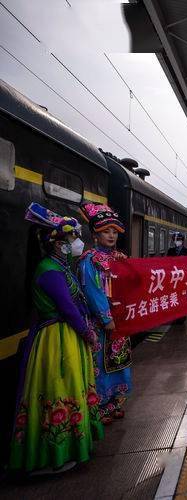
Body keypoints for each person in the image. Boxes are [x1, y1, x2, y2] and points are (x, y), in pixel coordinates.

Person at [9, 203, 104, 474]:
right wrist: (88, 333)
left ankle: (69, 446)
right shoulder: (50, 271)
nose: (77, 244)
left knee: (69, 387)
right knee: (58, 388)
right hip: (56, 340)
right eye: (73, 239)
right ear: (58, 244)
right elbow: (67, 307)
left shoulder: (58, 266)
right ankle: (54, 453)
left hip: (64, 338)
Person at [79, 203, 131, 425]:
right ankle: (101, 405)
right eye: (105, 231)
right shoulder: (89, 260)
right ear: (94, 234)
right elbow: (92, 290)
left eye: (114, 232)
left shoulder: (119, 258)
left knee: (119, 360)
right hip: (101, 323)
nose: (111, 235)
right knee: (100, 363)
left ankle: (116, 402)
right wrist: (106, 318)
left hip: (122, 319)